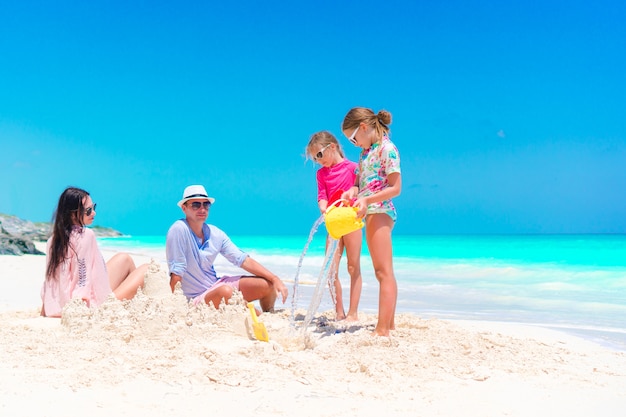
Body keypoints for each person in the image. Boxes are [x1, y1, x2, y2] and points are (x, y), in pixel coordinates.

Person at [166, 185, 288, 312]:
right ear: (184, 208)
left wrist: (275, 279)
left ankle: (269, 312)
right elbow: (177, 271)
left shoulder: (215, 233)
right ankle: (260, 319)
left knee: (267, 284)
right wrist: (173, 306)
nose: (202, 209)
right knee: (226, 292)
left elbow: (242, 259)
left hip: (215, 285)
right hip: (194, 299)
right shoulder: (179, 229)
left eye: (206, 204)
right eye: (196, 205)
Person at [41, 186, 149, 317]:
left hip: (57, 307)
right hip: (84, 307)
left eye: (94, 208)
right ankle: (137, 308)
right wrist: (83, 307)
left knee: (124, 258)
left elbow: (51, 280)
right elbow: (82, 277)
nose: (93, 213)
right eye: (88, 211)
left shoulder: (53, 240)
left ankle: (134, 305)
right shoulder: (86, 235)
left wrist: (44, 311)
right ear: (72, 213)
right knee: (147, 269)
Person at [341, 107, 402, 336]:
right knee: (381, 271)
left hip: (382, 210)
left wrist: (366, 199)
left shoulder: (388, 149)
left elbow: (396, 188)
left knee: (382, 271)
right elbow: (360, 182)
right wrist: (352, 191)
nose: (353, 143)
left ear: (364, 128)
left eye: (353, 137)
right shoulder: (366, 152)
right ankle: (390, 323)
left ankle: (383, 329)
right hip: (370, 211)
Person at [306, 131, 363, 321]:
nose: (318, 160)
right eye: (315, 158)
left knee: (353, 266)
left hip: (352, 222)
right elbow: (322, 195)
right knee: (330, 269)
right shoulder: (321, 174)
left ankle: (353, 313)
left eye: (319, 155)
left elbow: (362, 192)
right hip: (333, 224)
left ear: (332, 147)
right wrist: (323, 207)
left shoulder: (353, 168)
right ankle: (339, 312)